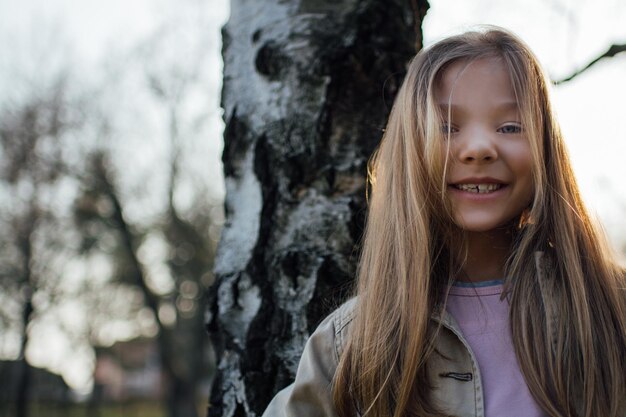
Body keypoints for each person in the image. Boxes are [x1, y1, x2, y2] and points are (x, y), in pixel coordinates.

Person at [262, 27, 626, 417]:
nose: (479, 149)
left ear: (546, 150)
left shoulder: (609, 307)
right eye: (446, 127)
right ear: (410, 152)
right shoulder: (350, 343)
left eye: (510, 127)